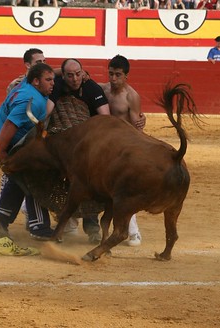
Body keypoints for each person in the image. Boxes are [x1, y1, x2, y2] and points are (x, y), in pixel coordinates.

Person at [0, 63, 56, 241]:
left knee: (19, 179)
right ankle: (39, 227)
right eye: (48, 80)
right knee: (33, 178)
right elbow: (10, 125)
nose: (52, 83)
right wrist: (1, 152)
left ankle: (0, 218)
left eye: (53, 80)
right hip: (6, 145)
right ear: (35, 81)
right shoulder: (31, 101)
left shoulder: (26, 86)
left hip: (4, 142)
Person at [48, 59, 110, 244]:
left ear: (83, 72)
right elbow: (46, 111)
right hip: (63, 143)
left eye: (78, 74)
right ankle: (59, 224)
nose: (75, 79)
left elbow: (105, 118)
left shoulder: (92, 88)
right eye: (69, 75)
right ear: (63, 75)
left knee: (89, 183)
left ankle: (92, 229)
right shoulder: (56, 84)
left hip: (87, 144)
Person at [97, 55, 145, 246]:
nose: (113, 79)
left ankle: (133, 231)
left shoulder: (131, 97)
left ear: (126, 76)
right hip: (103, 147)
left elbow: (137, 128)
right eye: (110, 74)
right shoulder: (103, 89)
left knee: (123, 191)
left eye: (118, 75)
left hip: (122, 149)